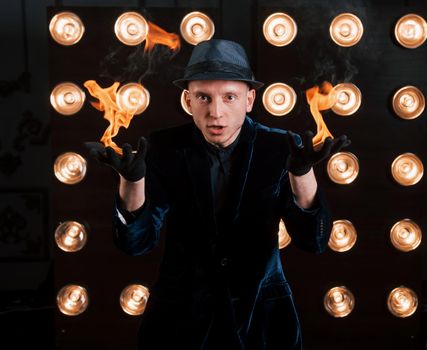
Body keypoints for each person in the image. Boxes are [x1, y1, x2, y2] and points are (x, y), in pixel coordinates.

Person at [89, 39, 350, 350]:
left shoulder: (282, 147)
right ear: (187, 101)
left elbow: (314, 241)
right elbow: (136, 244)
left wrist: (302, 174)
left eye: (230, 97)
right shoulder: (162, 148)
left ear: (249, 99)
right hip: (179, 323)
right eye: (204, 97)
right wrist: (132, 181)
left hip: (262, 321)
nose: (216, 112)